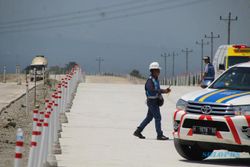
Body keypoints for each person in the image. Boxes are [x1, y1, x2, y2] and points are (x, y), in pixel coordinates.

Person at [133, 62, 171, 140]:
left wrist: (164, 91)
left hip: (153, 101)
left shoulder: (155, 79)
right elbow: (152, 90)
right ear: (153, 71)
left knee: (149, 117)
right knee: (158, 117)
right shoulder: (150, 81)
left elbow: (156, 90)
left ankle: (138, 131)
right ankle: (159, 135)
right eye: (158, 70)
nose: (159, 72)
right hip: (152, 102)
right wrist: (163, 91)